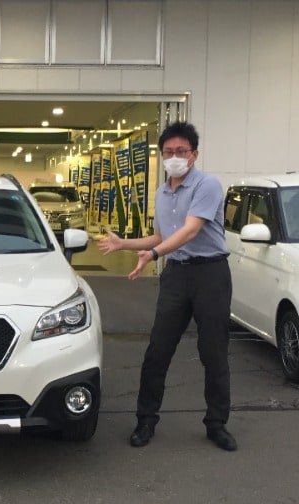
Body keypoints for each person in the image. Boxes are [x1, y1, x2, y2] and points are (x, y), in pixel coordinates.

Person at [98, 121, 236, 452]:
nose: (174, 157)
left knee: (213, 352)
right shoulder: (161, 192)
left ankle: (216, 424)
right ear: (161, 155)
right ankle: (145, 420)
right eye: (168, 152)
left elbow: (189, 231)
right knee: (158, 351)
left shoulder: (207, 186)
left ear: (194, 154)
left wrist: (155, 253)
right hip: (176, 275)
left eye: (181, 151)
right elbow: (162, 235)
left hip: (211, 275)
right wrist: (125, 245)